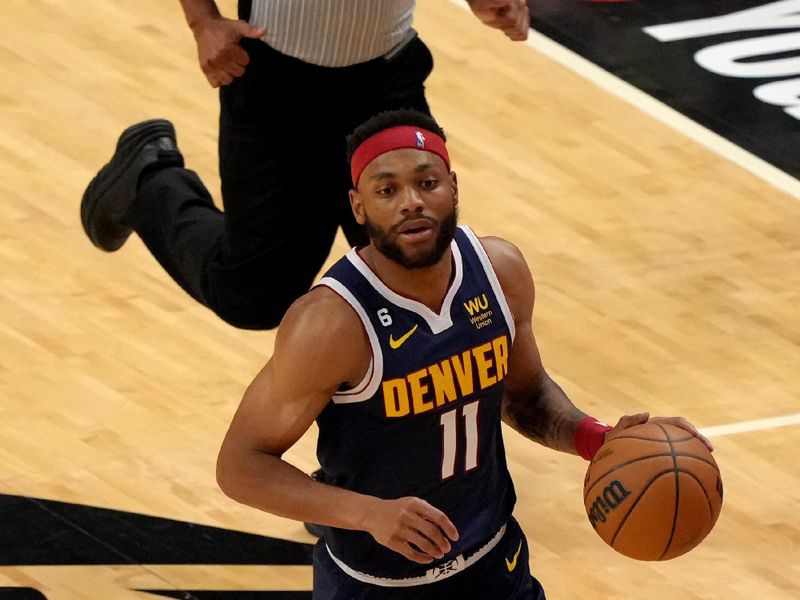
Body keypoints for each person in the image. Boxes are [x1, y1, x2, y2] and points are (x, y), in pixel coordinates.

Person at [214, 109, 713, 599]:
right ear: (358, 207)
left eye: (426, 183)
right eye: (387, 190)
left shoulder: (500, 271)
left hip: (495, 566)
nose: (411, 202)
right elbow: (241, 465)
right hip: (376, 586)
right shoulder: (330, 325)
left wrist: (596, 438)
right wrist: (367, 513)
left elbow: (525, 396)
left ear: (453, 186)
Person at [79, 0, 530, 330]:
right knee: (253, 296)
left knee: (421, 270)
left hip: (386, 83)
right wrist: (203, 21)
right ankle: (149, 179)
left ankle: (386, 450)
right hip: (276, 88)